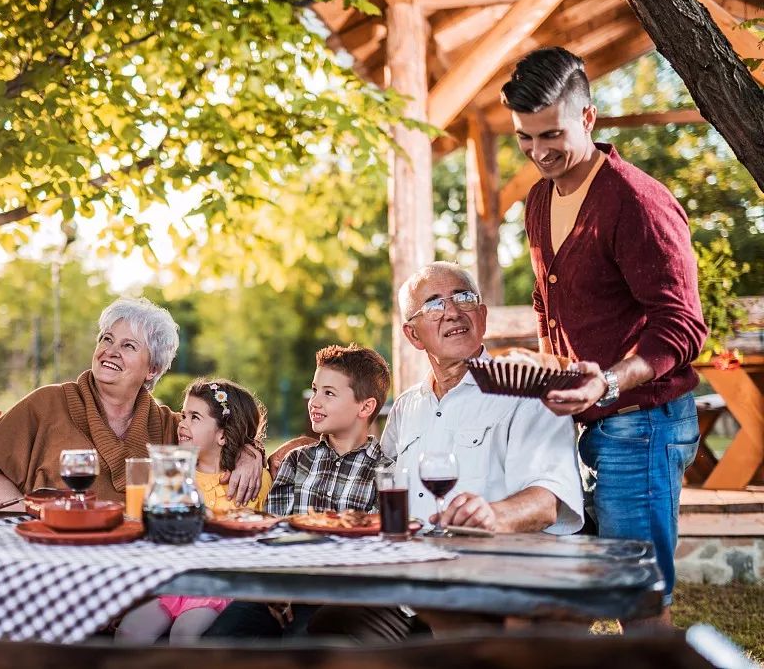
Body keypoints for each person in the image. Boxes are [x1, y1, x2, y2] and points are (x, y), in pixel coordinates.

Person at [502, 47, 707, 625]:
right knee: (559, 597)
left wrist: (608, 382)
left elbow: (682, 325)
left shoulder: (636, 201)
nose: (538, 153)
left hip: (640, 424)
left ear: (588, 118)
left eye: (551, 135)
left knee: (636, 599)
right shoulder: (540, 200)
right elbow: (551, 301)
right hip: (575, 424)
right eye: (524, 138)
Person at [307, 262, 584, 643]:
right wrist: (269, 452)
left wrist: (492, 514)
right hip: (406, 590)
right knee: (329, 630)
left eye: (464, 298)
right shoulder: (407, 407)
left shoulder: (529, 389)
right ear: (413, 335)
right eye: (434, 304)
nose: (453, 311)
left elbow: (548, 501)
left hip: (490, 587)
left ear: (482, 316)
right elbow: (369, 468)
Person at [0, 298, 265, 511]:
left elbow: (221, 438)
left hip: (138, 571)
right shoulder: (47, 404)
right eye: (106, 339)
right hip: (51, 558)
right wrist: (35, 517)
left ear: (152, 369)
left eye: (128, 346)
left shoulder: (172, 428)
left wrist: (249, 454)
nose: (110, 351)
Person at [204, 344, 392, 640]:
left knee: (300, 647)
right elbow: (273, 532)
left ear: (365, 407)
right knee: (217, 640)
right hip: (277, 591)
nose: (314, 401)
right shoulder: (297, 460)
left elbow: (369, 552)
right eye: (314, 389)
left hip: (332, 598)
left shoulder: (384, 474)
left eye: (329, 393)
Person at [115, 378, 271, 645]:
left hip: (218, 585)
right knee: (129, 631)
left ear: (222, 434)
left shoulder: (250, 481)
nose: (182, 424)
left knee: (184, 634)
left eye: (194, 417)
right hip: (176, 584)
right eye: (184, 414)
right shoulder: (175, 474)